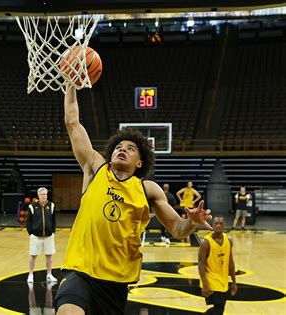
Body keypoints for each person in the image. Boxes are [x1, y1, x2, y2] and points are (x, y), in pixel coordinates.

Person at [54, 86, 212, 315]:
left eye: (130, 148)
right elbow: (72, 122)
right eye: (118, 147)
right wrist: (71, 84)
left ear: (140, 162)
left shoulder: (147, 190)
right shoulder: (95, 169)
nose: (122, 150)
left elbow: (178, 229)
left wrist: (193, 222)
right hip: (80, 271)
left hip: (116, 282)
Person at [198, 216, 237, 314]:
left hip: (223, 281)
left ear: (224, 225)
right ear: (212, 225)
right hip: (211, 281)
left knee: (220, 309)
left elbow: (230, 262)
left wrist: (234, 281)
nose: (218, 226)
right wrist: (205, 284)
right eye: (216, 223)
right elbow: (201, 264)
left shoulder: (229, 240)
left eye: (221, 223)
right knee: (218, 308)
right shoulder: (205, 242)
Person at [26, 187, 57, 284]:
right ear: (38, 196)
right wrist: (30, 233)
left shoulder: (51, 205)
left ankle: (49, 274)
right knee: (33, 256)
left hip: (48, 236)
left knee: (49, 256)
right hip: (36, 236)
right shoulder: (32, 206)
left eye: (45, 194)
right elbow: (28, 221)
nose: (44, 196)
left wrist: (53, 231)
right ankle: (30, 275)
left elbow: (54, 220)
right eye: (42, 194)